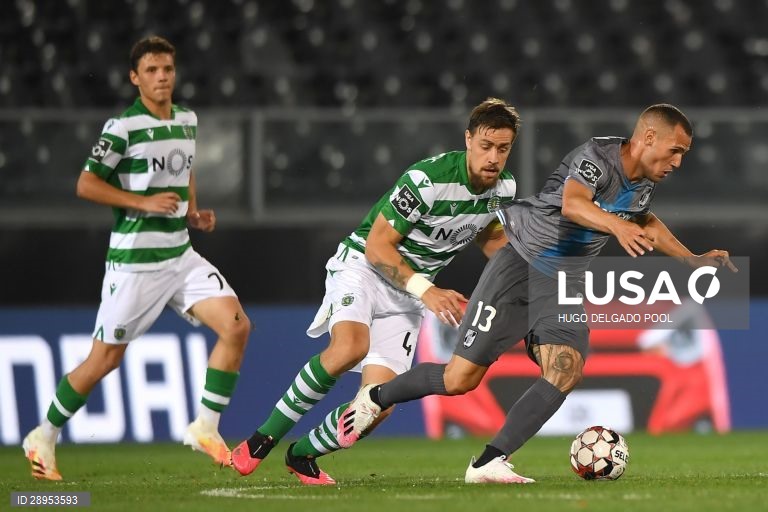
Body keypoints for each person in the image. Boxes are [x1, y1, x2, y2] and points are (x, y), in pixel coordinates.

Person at [337, 104, 738, 483]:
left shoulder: (643, 183)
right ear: (649, 137)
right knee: (459, 379)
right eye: (676, 151)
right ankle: (377, 396)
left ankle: (490, 460)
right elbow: (573, 204)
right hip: (521, 265)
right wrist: (616, 227)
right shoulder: (597, 156)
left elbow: (644, 220)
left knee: (566, 369)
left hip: (563, 283)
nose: (678, 162)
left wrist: (690, 259)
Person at [231, 98, 521, 485]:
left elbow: (490, 238)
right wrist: (428, 290)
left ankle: (303, 454)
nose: (494, 157)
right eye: (486, 145)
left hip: (407, 296)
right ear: (468, 139)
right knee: (349, 346)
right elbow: (378, 247)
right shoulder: (427, 180)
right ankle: (261, 438)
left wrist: (517, 280)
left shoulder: (504, 189)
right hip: (364, 269)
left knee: (377, 405)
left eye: (503, 149)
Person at [21, 36, 251, 481]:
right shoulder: (122, 128)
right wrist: (141, 202)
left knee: (236, 326)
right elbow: (86, 184)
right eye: (151, 70)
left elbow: (184, 171)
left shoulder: (187, 119)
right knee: (104, 360)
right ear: (135, 78)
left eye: (167, 69)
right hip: (135, 263)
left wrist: (193, 212)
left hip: (180, 255)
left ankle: (205, 427)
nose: (161, 77)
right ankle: (43, 435)